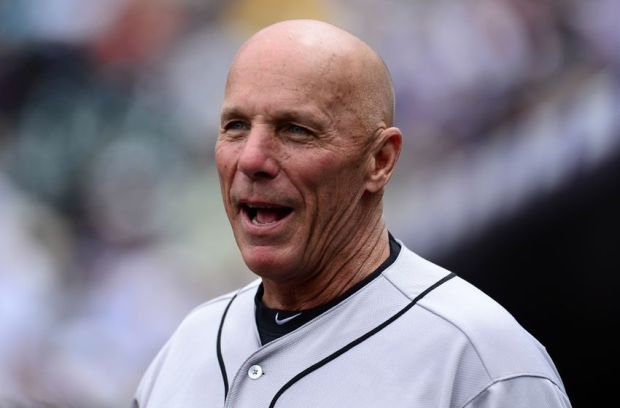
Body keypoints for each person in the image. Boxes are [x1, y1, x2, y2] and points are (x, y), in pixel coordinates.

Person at [133, 19, 571, 407]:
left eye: (295, 130)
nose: (251, 159)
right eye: (236, 126)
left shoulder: (479, 362)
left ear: (380, 160)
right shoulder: (189, 344)